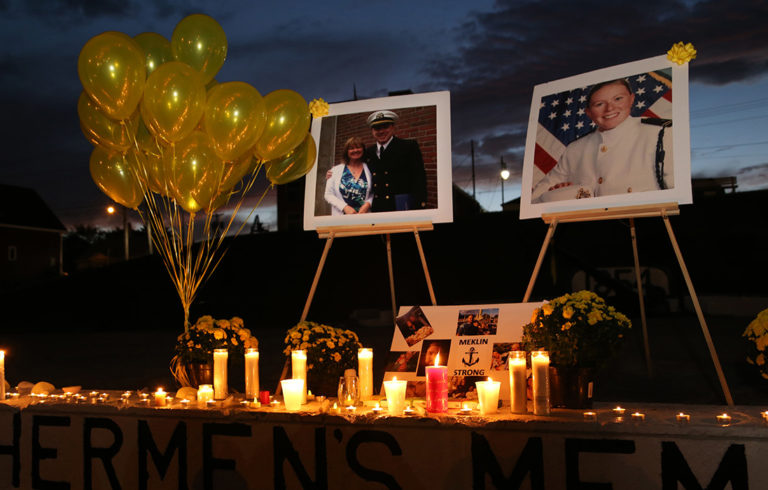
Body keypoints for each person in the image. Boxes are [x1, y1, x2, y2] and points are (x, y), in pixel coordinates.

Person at [532, 78, 673, 203]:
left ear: (631, 99)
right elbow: (537, 197)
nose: (610, 108)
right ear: (589, 112)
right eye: (599, 104)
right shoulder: (576, 148)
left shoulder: (660, 134)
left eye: (618, 99)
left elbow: (676, 192)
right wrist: (556, 194)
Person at [364, 110, 427, 212]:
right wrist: (334, 174)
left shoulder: (408, 146)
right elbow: (357, 169)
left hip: (401, 206)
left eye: (385, 127)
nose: (381, 131)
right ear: (372, 131)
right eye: (377, 128)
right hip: (377, 207)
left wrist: (419, 204)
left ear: (393, 127)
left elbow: (419, 177)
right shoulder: (368, 152)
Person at [324, 136, 373, 215]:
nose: (355, 150)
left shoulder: (370, 169)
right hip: (342, 218)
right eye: (351, 148)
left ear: (363, 150)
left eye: (358, 147)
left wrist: (368, 204)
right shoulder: (335, 170)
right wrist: (344, 207)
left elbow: (374, 192)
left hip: (365, 217)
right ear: (346, 151)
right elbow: (328, 194)